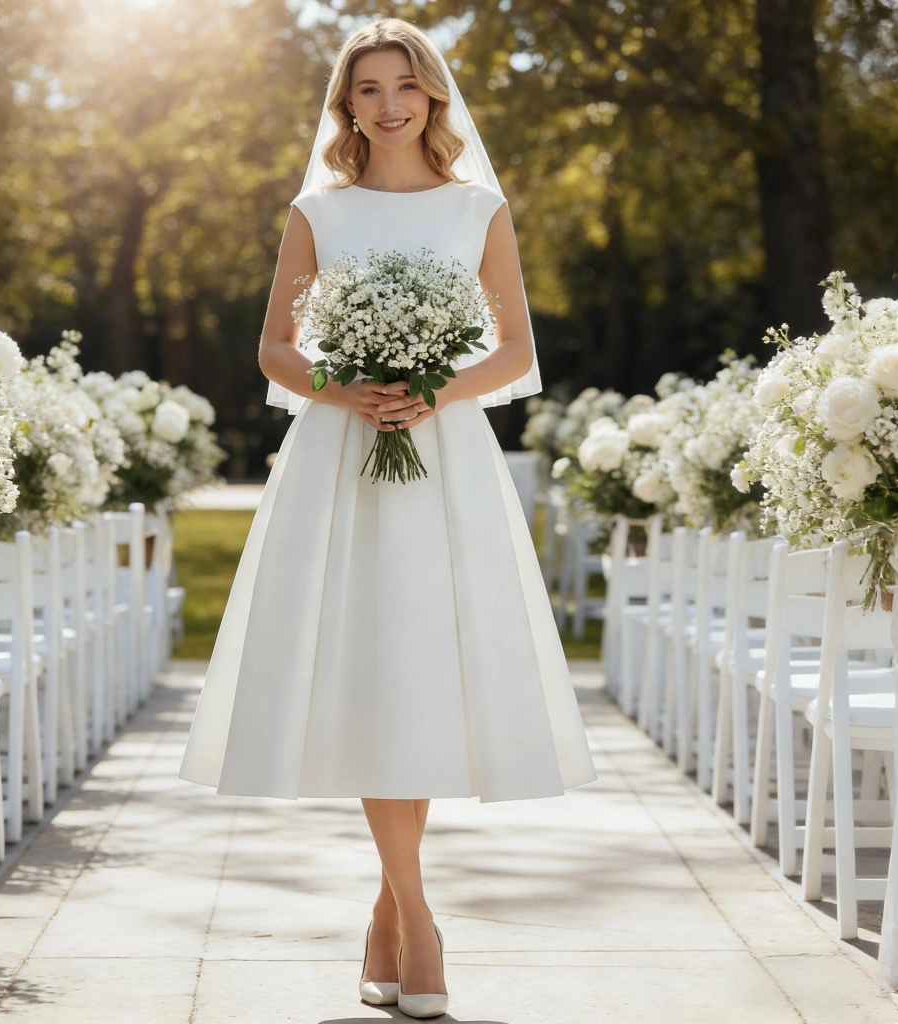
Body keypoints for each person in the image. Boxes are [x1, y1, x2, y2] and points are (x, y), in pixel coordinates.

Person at [178, 16, 596, 1019]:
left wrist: (428, 390)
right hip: (340, 457)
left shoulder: (476, 206)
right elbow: (275, 350)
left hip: (443, 458)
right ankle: (417, 919)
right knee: (370, 674)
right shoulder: (317, 211)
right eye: (366, 88)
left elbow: (513, 352)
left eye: (403, 84)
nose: (388, 103)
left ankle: (389, 910)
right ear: (346, 105)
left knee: (421, 673)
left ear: (433, 97)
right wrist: (347, 385)